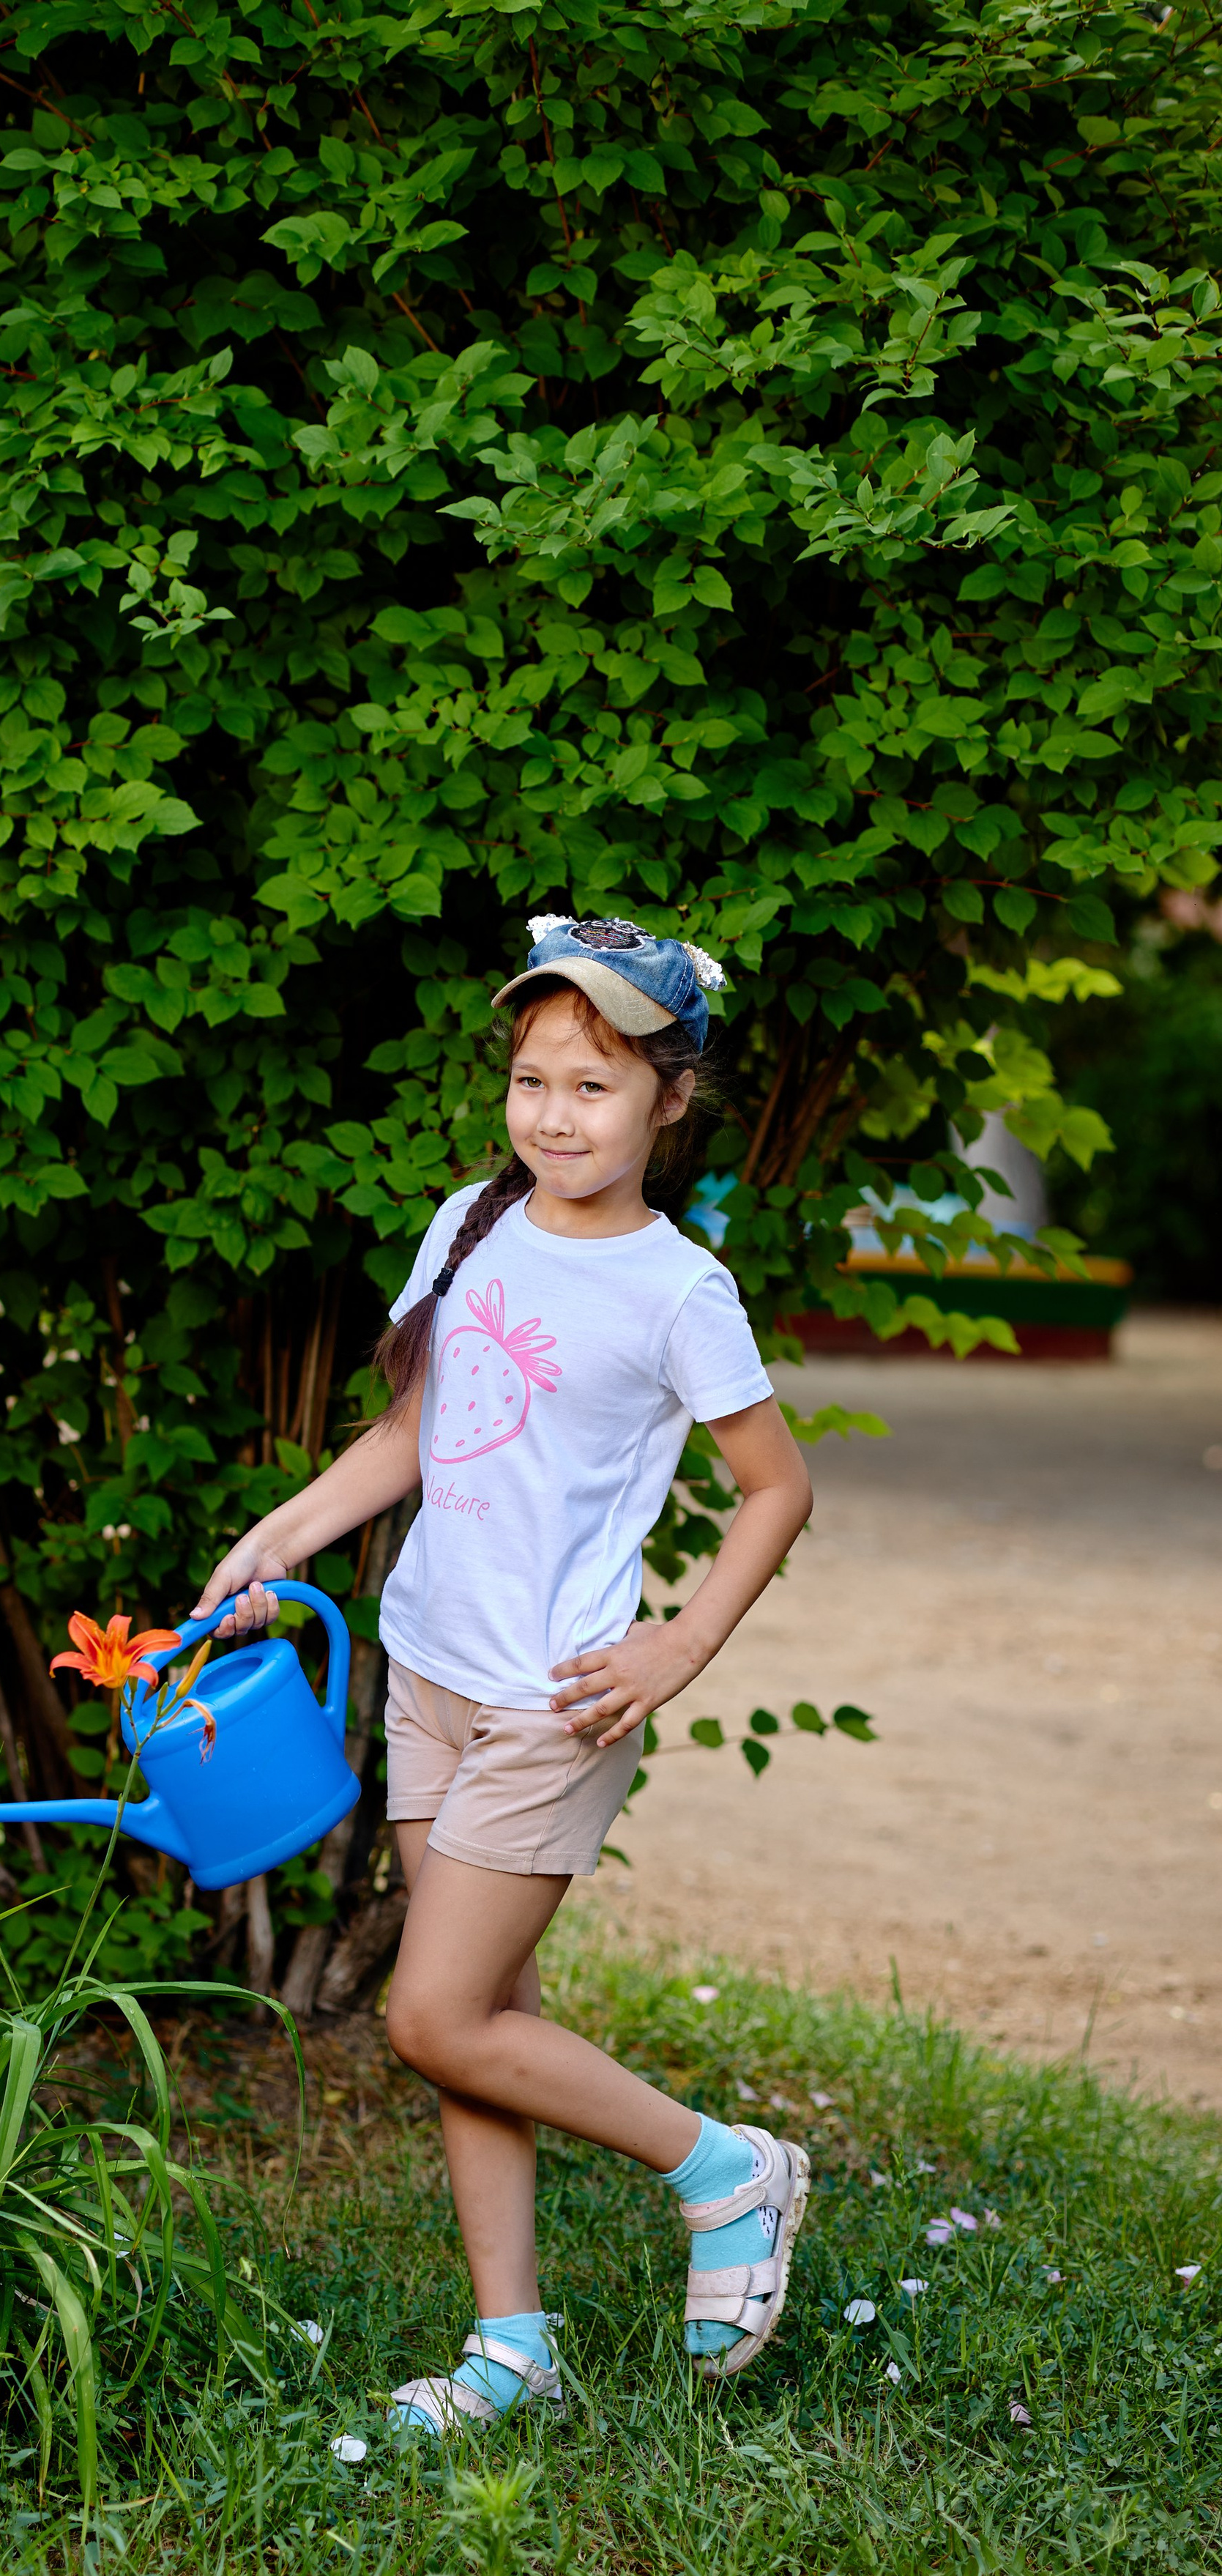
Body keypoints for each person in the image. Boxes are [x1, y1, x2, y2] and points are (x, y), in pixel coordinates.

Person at [189, 913, 816, 2432]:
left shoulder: (677, 1290)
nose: (553, 1115)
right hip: (429, 1668)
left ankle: (724, 2170)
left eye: (592, 1087)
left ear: (670, 1101)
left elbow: (775, 1488)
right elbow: (410, 1431)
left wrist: (676, 1644)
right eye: (534, 1079)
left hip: (554, 1695)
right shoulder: (472, 1223)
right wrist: (279, 1536)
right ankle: (508, 2350)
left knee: (428, 2015)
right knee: (485, 2010)